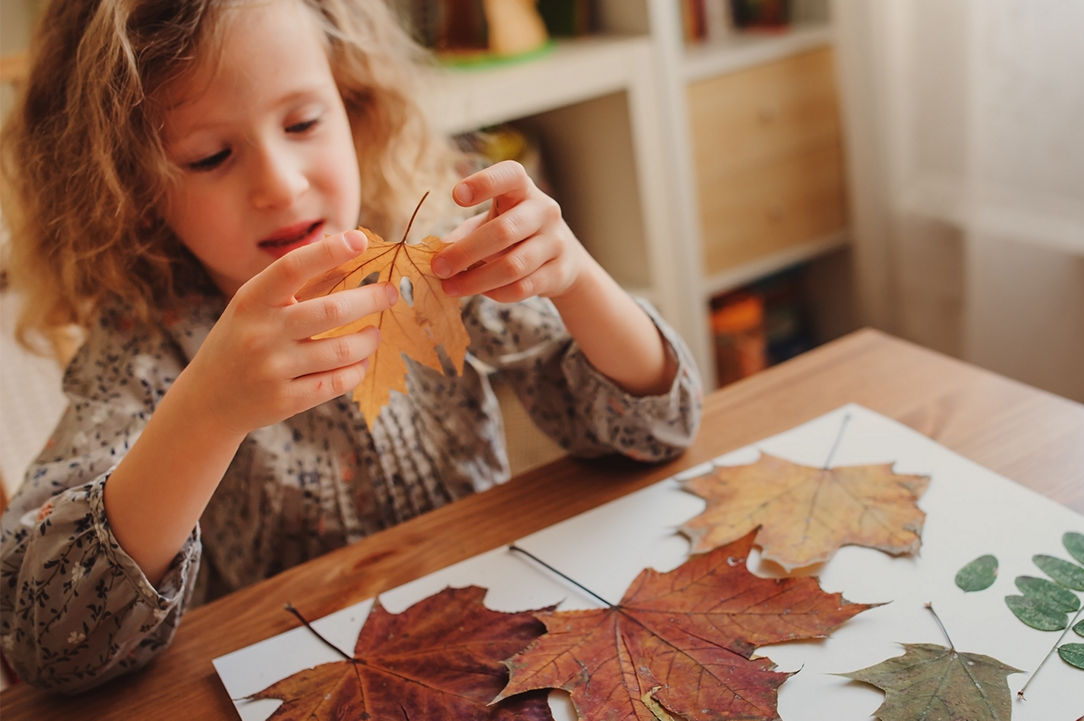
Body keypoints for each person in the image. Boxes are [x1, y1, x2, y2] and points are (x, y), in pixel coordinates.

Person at [0, 0, 701, 693]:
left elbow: (657, 430)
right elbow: (45, 641)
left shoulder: (435, 258)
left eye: (304, 121)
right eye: (210, 156)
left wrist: (575, 277)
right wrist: (206, 413)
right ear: (131, 184)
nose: (281, 183)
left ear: (355, 106)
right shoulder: (143, 345)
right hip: (304, 682)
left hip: (497, 644)